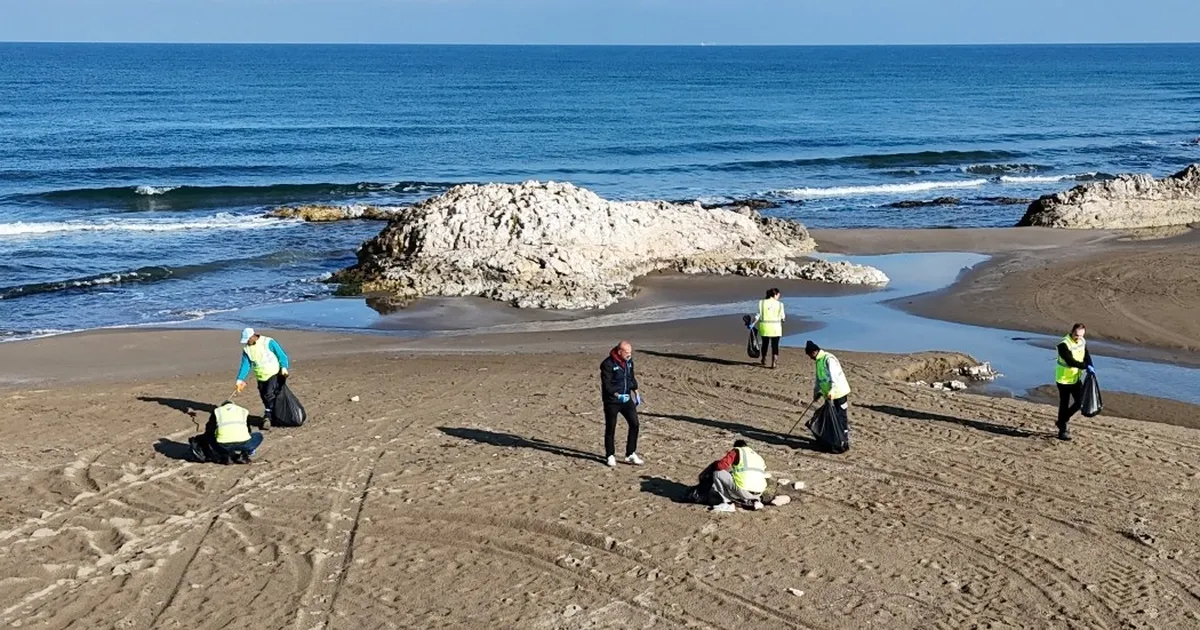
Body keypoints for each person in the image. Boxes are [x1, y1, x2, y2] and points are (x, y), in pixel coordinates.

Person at [235, 328, 290, 429]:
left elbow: (281, 355)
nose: (247, 342)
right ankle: (272, 415)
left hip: (273, 373)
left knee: (269, 394)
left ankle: (268, 416)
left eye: (248, 339)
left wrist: (284, 367)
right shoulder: (247, 349)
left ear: (253, 336)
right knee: (264, 396)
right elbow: (246, 365)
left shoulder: (268, 342)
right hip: (260, 376)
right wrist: (240, 379)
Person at [600, 340, 644, 468]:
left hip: (627, 399)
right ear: (619, 352)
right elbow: (606, 385)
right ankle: (610, 455)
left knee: (634, 424)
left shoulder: (629, 362)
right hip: (612, 401)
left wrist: (636, 392)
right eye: (627, 352)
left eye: (630, 352)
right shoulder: (607, 364)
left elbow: (631, 378)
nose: (629, 355)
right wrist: (618, 395)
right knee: (611, 428)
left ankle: (630, 453)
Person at [188, 400, 264, 465]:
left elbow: (209, 431)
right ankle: (244, 455)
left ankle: (226, 455)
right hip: (243, 443)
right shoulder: (243, 411)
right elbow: (248, 431)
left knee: (210, 437)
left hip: (223, 444)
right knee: (258, 435)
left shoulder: (217, 411)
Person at [1054, 323, 1094, 442]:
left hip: (1075, 378)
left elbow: (1086, 354)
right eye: (1076, 335)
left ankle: (1061, 421)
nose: (1078, 337)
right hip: (1063, 379)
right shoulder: (1063, 345)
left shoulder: (1082, 341)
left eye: (1081, 335)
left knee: (1080, 402)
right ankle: (1062, 430)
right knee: (1064, 404)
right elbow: (1070, 361)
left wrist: (1091, 365)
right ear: (1072, 332)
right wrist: (1085, 366)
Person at [708, 439, 767, 513]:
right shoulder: (757, 456)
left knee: (717, 473)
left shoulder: (737, 451)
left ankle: (728, 503)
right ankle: (755, 501)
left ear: (737, 446)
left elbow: (721, 466)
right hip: (759, 492)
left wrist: (716, 464)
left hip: (744, 490)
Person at [806, 339, 851, 432]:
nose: (810, 358)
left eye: (810, 355)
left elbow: (835, 378)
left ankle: (843, 438)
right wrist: (817, 392)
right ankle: (835, 436)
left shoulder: (828, 359)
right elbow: (819, 379)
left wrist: (832, 392)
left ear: (814, 352)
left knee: (841, 415)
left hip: (839, 392)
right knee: (832, 416)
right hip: (829, 395)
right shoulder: (819, 361)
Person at [749, 288, 785, 368]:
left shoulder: (761, 303)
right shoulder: (780, 304)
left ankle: (764, 359)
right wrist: (782, 320)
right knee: (775, 345)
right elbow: (783, 318)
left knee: (765, 344)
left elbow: (757, 315)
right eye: (778, 295)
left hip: (765, 327)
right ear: (775, 294)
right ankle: (774, 362)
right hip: (776, 328)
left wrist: (752, 324)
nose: (779, 296)